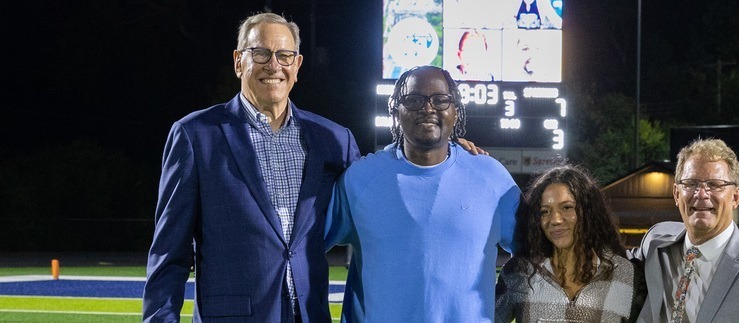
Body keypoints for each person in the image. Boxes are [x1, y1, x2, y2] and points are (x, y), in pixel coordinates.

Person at [143, 13, 360, 322]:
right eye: (260, 53)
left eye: (285, 55)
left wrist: (452, 156)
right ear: (238, 61)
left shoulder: (334, 140)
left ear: (296, 66)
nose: (274, 65)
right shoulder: (195, 135)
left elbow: (376, 207)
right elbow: (169, 255)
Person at [324, 66, 520, 322]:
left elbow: (539, 253)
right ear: (396, 110)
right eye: (413, 100)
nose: (427, 108)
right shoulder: (360, 179)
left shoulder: (491, 177)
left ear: (455, 111)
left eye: (440, 100)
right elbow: (302, 249)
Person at [629, 138, 739, 323]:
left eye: (715, 185)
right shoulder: (656, 242)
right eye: (690, 183)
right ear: (676, 194)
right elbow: (608, 261)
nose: (701, 194)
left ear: (735, 197)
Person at [495, 165, 645, 322]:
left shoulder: (626, 274)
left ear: (589, 211)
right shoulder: (520, 272)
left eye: (567, 207)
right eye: (544, 211)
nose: (555, 220)